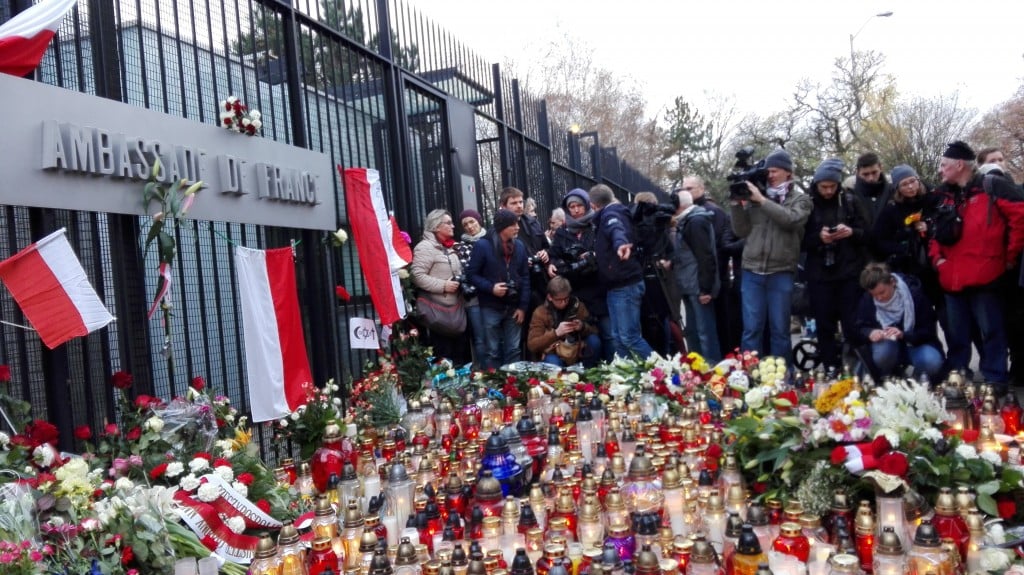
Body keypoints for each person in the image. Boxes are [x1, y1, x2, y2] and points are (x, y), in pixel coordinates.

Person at [929, 140, 1024, 394]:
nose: (940, 170)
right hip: (952, 277)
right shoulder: (942, 196)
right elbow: (932, 231)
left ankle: (995, 380)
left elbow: (1019, 216)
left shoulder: (992, 186)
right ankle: (959, 379)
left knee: (991, 331)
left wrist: (1009, 256)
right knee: (956, 335)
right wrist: (937, 259)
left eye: (944, 165)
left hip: (986, 276)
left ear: (959, 165)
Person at [731, 148, 813, 358]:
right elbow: (741, 231)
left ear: (788, 173)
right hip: (752, 271)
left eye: (775, 171)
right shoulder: (756, 197)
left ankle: (783, 379)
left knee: (780, 331)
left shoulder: (800, 199)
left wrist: (762, 201)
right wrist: (736, 205)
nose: (770, 175)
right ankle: (748, 376)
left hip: (781, 272)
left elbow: (791, 220)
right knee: (751, 330)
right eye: (768, 171)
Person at [801, 159, 867, 373]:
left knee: (852, 324)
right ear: (816, 185)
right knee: (824, 325)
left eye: (832, 186)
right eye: (824, 187)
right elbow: (797, 240)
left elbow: (866, 232)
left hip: (848, 272)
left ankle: (856, 368)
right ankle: (830, 368)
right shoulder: (807, 203)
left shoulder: (850, 200)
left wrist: (851, 232)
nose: (828, 191)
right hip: (819, 274)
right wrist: (818, 238)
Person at [871, 165, 944, 328]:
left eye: (913, 181)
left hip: (936, 267)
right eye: (904, 184)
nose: (910, 187)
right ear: (897, 188)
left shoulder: (934, 198)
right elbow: (878, 239)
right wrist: (903, 247)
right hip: (911, 271)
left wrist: (930, 227)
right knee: (921, 320)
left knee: (949, 319)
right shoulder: (892, 209)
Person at [547, 188, 613, 361]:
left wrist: (593, 256)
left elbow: (607, 250)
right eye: (572, 206)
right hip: (576, 292)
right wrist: (553, 264)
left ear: (586, 206)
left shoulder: (597, 225)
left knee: (608, 334)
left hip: (599, 288)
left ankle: (612, 368)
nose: (576, 210)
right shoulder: (562, 232)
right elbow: (554, 253)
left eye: (579, 206)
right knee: (585, 336)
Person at [590, 183, 654, 359]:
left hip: (625, 284)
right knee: (619, 338)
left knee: (629, 338)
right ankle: (627, 375)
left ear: (593, 205)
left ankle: (663, 373)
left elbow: (616, 229)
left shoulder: (611, 214)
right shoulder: (615, 212)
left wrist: (619, 244)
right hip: (616, 284)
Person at [682, 175, 745, 354]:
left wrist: (708, 284)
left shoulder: (710, 212)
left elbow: (712, 250)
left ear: (701, 189)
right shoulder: (692, 213)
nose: (686, 192)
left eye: (690, 188)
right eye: (684, 189)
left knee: (713, 329)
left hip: (713, 279)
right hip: (703, 278)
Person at [855, 263, 944, 383]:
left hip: (915, 345)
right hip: (888, 348)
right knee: (883, 352)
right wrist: (870, 332)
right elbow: (859, 327)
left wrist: (904, 334)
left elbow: (928, 331)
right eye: (874, 295)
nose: (879, 298)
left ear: (892, 282)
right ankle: (887, 379)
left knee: (932, 361)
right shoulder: (867, 299)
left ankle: (917, 382)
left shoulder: (915, 295)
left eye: (882, 292)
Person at [466, 209, 531, 370]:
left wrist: (523, 307)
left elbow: (525, 277)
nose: (517, 228)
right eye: (513, 224)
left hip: (514, 305)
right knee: (492, 350)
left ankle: (514, 384)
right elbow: (471, 274)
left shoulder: (520, 246)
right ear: (502, 227)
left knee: (514, 349)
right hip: (490, 306)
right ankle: (495, 384)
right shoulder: (483, 245)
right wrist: (491, 288)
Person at [411, 209, 470, 364]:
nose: (453, 226)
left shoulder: (450, 247)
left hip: (455, 312)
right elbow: (417, 276)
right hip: (437, 314)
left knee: (460, 358)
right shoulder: (425, 247)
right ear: (436, 226)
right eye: (448, 223)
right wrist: (443, 285)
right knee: (443, 360)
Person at [672, 190, 721, 362]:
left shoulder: (695, 221)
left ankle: (712, 371)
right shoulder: (688, 221)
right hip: (690, 283)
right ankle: (698, 371)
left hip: (697, 285)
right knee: (694, 332)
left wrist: (706, 288)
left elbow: (705, 256)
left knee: (704, 333)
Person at [633, 191, 681, 355]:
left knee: (661, 318)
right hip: (647, 274)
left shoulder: (662, 226)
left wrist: (667, 261)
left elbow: (670, 251)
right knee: (658, 318)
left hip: (658, 278)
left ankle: (664, 353)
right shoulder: (637, 226)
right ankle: (664, 353)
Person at [527, 276, 602, 367]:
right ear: (550, 297)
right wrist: (556, 333)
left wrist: (582, 327)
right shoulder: (540, 312)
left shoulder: (578, 306)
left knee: (594, 341)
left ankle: (587, 374)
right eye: (559, 300)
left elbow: (595, 330)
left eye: (566, 298)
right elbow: (532, 345)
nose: (564, 303)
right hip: (554, 354)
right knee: (553, 361)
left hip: (576, 350)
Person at [455, 209, 488, 368]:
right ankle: (484, 370)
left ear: (479, 221)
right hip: (473, 298)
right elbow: (463, 272)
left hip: (491, 296)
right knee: (479, 338)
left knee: (495, 336)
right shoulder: (460, 247)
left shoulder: (490, 240)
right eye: (465, 224)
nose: (469, 226)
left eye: (472, 222)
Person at [846, 152, 894, 235]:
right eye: (865, 174)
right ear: (857, 172)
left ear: (880, 168)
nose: (871, 178)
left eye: (874, 172)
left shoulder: (893, 189)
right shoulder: (849, 193)